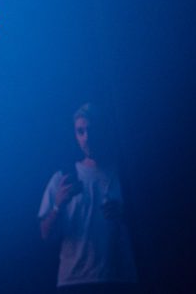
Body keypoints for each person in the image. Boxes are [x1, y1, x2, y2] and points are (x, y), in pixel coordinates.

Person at [37, 103, 140, 294]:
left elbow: (153, 228)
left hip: (118, 278)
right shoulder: (63, 178)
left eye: (92, 130)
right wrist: (57, 206)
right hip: (74, 280)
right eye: (80, 131)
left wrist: (125, 215)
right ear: (75, 135)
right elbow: (45, 234)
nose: (87, 138)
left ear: (104, 130)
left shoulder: (124, 176)